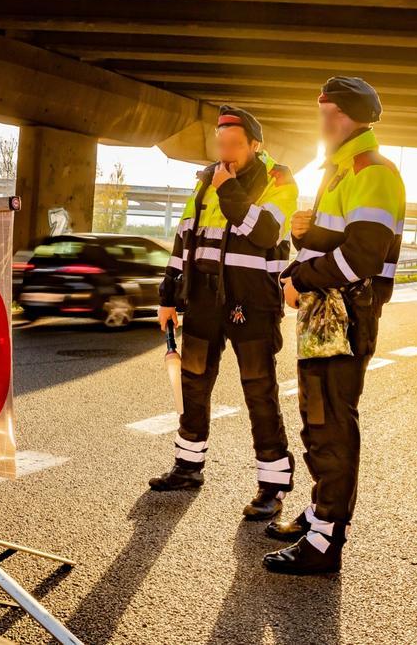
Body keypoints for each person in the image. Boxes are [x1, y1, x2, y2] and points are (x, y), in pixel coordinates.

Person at [267, 77, 406, 574]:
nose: (319, 121)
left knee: (330, 425)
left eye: (323, 111)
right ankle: (320, 510)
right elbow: (343, 238)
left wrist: (300, 276)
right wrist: (307, 233)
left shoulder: (373, 171)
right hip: (328, 315)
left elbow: (364, 254)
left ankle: (326, 540)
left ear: (340, 116)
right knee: (316, 419)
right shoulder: (344, 171)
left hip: (346, 315)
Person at [151, 105, 299, 522]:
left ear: (255, 145)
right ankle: (188, 467)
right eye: (221, 143)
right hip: (202, 301)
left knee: (259, 390)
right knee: (194, 383)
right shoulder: (204, 181)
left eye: (235, 144)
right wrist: (167, 297)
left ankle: (272, 487)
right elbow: (183, 241)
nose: (226, 151)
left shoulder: (278, 181)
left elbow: (266, 231)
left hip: (252, 304)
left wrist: (229, 188)